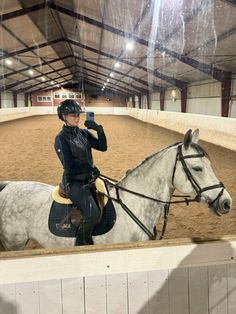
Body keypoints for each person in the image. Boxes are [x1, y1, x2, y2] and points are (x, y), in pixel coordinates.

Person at [54, 99, 107, 245]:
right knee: (93, 213)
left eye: (78, 114)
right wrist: (90, 168)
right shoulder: (61, 139)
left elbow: (102, 147)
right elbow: (69, 167)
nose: (77, 117)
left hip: (88, 179)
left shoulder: (83, 133)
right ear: (63, 117)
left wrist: (99, 129)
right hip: (73, 182)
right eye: (72, 115)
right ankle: (81, 243)